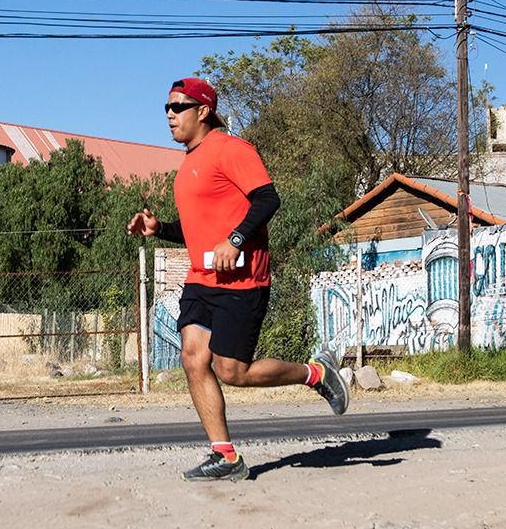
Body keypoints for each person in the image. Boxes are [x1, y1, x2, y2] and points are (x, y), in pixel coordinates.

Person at [127, 77, 349, 482]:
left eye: (178, 107)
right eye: (167, 108)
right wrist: (160, 228)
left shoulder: (231, 149)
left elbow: (268, 199)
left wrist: (235, 239)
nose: (170, 115)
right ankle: (225, 456)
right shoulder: (189, 163)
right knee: (193, 357)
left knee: (233, 371)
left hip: (242, 278)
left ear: (203, 111)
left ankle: (315, 373)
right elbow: (198, 230)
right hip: (201, 277)